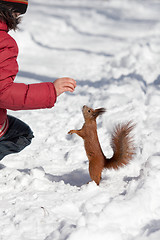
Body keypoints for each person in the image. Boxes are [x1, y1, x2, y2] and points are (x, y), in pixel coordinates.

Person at [0, 0, 76, 161]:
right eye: (18, 13)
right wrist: (50, 91)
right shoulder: (3, 43)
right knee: (22, 134)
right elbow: (3, 92)